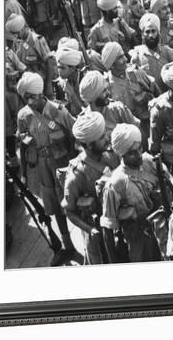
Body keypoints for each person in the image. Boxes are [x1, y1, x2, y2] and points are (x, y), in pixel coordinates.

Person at [16, 72, 76, 256]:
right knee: (55, 207)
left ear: (39, 94)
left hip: (63, 162)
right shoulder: (23, 116)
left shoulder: (58, 111)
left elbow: (75, 137)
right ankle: (67, 246)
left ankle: (91, 242)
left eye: (29, 97)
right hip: (42, 166)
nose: (28, 101)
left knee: (74, 202)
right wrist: (23, 175)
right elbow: (24, 147)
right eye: (24, 98)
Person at [100, 124, 168, 262]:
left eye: (140, 149)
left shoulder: (150, 162)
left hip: (163, 230)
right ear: (121, 154)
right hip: (138, 241)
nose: (139, 155)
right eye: (131, 153)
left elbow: (172, 185)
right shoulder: (116, 184)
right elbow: (108, 229)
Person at [62, 112, 119, 264]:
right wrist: (90, 230)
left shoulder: (112, 155)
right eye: (101, 137)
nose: (107, 138)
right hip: (97, 236)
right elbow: (69, 211)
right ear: (88, 144)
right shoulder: (76, 175)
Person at [101, 41, 158, 145]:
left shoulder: (136, 72)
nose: (126, 60)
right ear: (112, 64)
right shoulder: (106, 84)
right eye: (120, 58)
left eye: (124, 56)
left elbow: (156, 93)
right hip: (127, 134)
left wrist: (144, 97)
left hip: (146, 124)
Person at [5, 13, 55, 99]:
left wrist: (49, 85)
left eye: (17, 33)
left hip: (43, 84)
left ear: (23, 28)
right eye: (13, 34)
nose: (15, 36)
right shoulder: (17, 42)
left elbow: (50, 61)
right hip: (29, 87)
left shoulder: (36, 40)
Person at [79, 70, 140, 136]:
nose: (108, 93)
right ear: (93, 96)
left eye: (106, 89)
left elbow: (138, 132)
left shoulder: (118, 110)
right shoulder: (84, 121)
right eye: (103, 91)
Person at [130, 13, 173, 89]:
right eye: (147, 32)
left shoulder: (169, 52)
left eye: (153, 31)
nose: (150, 35)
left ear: (158, 33)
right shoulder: (137, 57)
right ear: (142, 34)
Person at [54, 46, 85, 117]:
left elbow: (87, 111)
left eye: (62, 68)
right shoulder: (61, 82)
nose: (59, 71)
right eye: (58, 67)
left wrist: (72, 94)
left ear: (73, 68)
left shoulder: (84, 80)